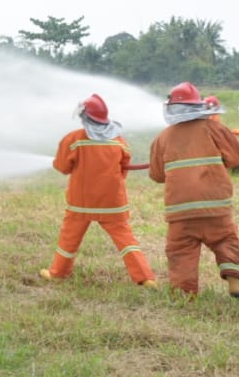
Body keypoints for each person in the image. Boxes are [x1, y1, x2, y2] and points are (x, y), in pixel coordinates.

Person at [148, 82, 239, 298]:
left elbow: (157, 175)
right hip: (215, 206)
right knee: (227, 240)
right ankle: (235, 285)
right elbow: (235, 157)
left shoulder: (163, 137)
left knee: (180, 251)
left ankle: (185, 295)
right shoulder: (213, 128)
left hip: (180, 211)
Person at [41, 94, 156, 287]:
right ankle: (146, 278)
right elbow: (123, 169)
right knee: (126, 240)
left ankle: (58, 273)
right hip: (113, 204)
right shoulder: (118, 141)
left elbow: (62, 167)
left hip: (81, 204)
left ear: (85, 117)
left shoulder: (74, 139)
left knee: (69, 239)